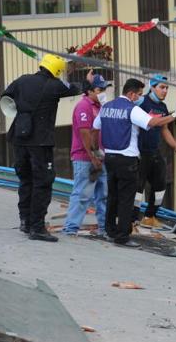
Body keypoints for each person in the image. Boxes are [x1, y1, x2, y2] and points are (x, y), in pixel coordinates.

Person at [2, 54, 92, 242]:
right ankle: (37, 228)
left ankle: (25, 222)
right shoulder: (54, 86)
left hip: (19, 138)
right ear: (57, 71)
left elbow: (6, 98)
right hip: (40, 142)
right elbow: (76, 88)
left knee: (25, 180)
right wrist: (88, 81)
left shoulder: (22, 80)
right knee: (43, 182)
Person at [93, 79, 176, 247]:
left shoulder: (106, 107)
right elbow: (153, 123)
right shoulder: (132, 109)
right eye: (138, 94)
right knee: (126, 199)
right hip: (127, 159)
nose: (139, 97)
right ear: (131, 93)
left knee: (113, 197)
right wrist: (174, 115)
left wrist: (96, 150)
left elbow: (95, 127)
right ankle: (122, 236)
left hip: (110, 158)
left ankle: (110, 230)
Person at [134, 74, 176, 229]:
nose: (165, 91)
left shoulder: (162, 108)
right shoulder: (141, 101)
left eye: (167, 88)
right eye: (162, 87)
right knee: (138, 188)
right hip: (139, 151)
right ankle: (131, 220)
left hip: (154, 151)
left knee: (160, 185)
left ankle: (150, 216)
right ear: (152, 87)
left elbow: (164, 129)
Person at [63, 74, 111, 236]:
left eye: (105, 89)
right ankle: (71, 228)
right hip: (85, 158)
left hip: (100, 156)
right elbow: (84, 133)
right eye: (100, 89)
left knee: (103, 195)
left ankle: (104, 228)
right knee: (82, 194)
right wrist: (92, 157)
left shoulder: (100, 106)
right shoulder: (84, 106)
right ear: (90, 91)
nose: (103, 92)